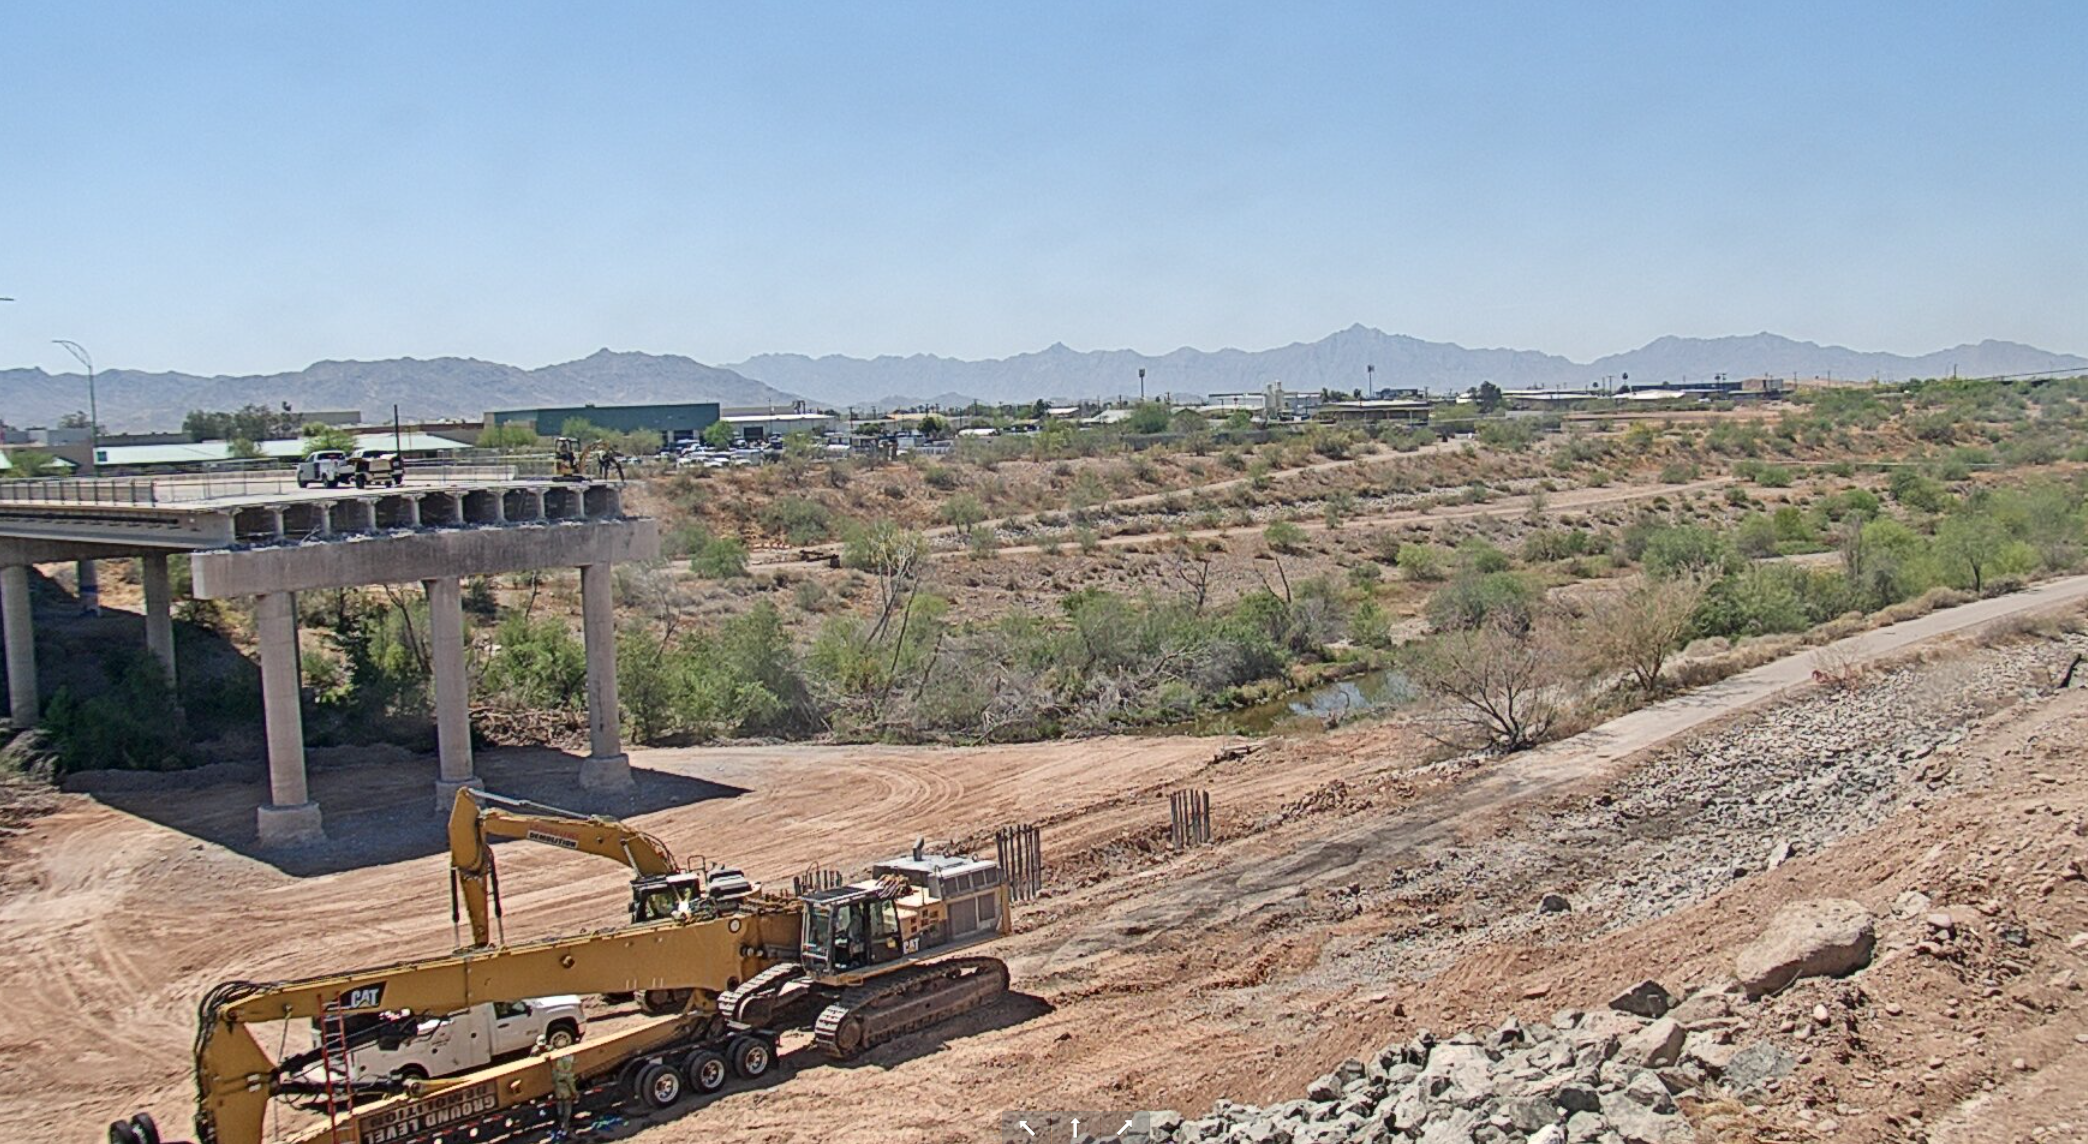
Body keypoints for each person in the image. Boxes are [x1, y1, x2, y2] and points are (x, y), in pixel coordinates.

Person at [541, 1034, 578, 1139]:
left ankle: (561, 1126)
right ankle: (565, 1128)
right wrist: (575, 1093)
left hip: (558, 1092)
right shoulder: (565, 1071)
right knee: (567, 1111)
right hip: (565, 1092)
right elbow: (570, 1082)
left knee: (560, 1111)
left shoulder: (555, 1070)